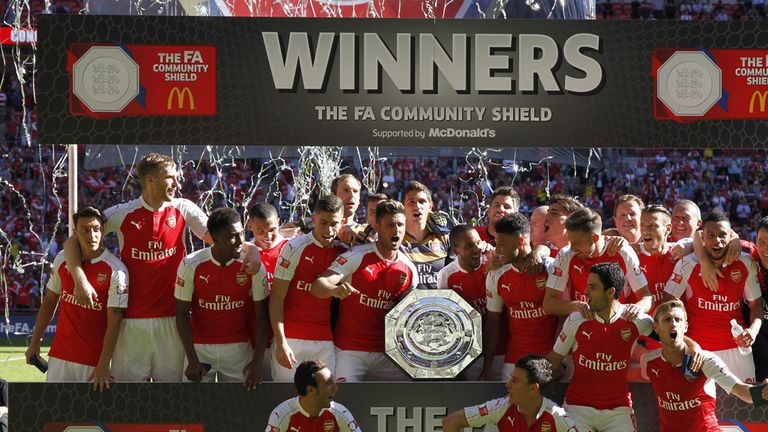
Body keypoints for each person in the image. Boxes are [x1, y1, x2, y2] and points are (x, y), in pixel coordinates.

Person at [64, 153, 210, 382]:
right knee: (129, 399)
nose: (177, 183)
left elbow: (220, 238)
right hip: (130, 324)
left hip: (172, 321)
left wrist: (252, 249)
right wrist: (80, 279)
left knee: (171, 398)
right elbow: (74, 240)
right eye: (170, 177)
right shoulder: (123, 213)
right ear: (150, 180)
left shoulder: (184, 208)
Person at [313, 200, 417, 381]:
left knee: (409, 390)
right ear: (377, 227)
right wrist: (334, 290)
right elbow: (318, 286)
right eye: (390, 225)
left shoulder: (409, 269)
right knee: (344, 404)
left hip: (387, 354)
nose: (397, 230)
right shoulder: (356, 256)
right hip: (350, 351)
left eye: (400, 225)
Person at [26, 206, 128, 390]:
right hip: (60, 355)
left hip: (93, 361)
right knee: (56, 415)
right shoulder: (62, 259)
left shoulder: (116, 270)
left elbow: (115, 322)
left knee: (89, 418)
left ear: (102, 230)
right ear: (75, 232)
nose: (92, 235)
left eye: (96, 229)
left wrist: (104, 363)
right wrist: (34, 343)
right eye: (85, 230)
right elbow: (49, 302)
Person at [548, 263, 654, 432]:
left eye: (593, 287)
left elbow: (671, 335)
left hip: (618, 410)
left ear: (610, 292)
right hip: (577, 408)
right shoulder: (576, 320)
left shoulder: (635, 320)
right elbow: (552, 361)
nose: (586, 292)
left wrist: (694, 348)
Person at [664, 210, 763, 382]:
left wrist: (753, 330)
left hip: (737, 350)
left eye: (722, 235)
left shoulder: (745, 263)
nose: (717, 241)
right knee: (702, 407)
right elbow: (667, 305)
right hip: (698, 350)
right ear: (703, 238)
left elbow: (757, 305)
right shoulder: (687, 264)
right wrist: (684, 341)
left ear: (730, 236)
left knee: (742, 405)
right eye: (711, 235)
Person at [640, 299, 768, 432]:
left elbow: (740, 390)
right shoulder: (648, 361)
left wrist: (762, 394)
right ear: (656, 328)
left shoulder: (705, 360)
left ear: (685, 326)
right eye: (667, 319)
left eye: (678, 320)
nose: (673, 324)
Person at [175, 208, 269, 386]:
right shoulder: (191, 264)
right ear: (214, 237)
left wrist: (257, 362)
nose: (241, 241)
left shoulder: (253, 266)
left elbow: (261, 316)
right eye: (233, 236)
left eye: (242, 233)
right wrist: (192, 359)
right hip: (200, 349)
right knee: (192, 410)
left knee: (240, 409)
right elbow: (181, 313)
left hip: (239, 349)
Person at [270, 195, 348, 381]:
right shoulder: (294, 247)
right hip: (291, 339)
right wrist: (281, 343)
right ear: (313, 219)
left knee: (323, 403)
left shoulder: (344, 251)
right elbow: (276, 298)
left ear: (343, 222)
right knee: (285, 400)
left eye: (334, 223)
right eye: (323, 222)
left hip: (324, 341)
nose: (329, 229)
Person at [484, 214, 558, 381]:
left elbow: (564, 317)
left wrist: (557, 359)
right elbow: (493, 321)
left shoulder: (550, 268)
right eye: (496, 244)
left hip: (549, 358)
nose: (497, 250)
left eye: (502, 245)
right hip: (514, 359)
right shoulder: (496, 275)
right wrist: (487, 368)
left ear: (520, 241)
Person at [544, 208, 652, 319]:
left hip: (616, 325)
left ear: (594, 238)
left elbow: (646, 296)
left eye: (577, 243)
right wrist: (576, 306)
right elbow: (548, 304)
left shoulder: (622, 252)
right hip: (583, 324)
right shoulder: (566, 255)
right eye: (570, 242)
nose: (572, 248)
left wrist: (639, 308)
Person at [442, 355, 578, 432]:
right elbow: (451, 421)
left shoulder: (557, 417)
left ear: (533, 388)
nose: (508, 385)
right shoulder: (501, 407)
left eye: (515, 381)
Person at [437, 224, 504, 379]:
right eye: (469, 246)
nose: (476, 249)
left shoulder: (493, 262)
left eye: (478, 242)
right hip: (472, 356)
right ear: (455, 250)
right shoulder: (446, 275)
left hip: (503, 350)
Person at [265, 360, 361, 432]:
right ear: (311, 390)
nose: (335, 388)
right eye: (328, 383)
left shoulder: (340, 413)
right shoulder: (282, 415)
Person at [400, 181, 450, 289]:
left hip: (437, 304)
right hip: (407, 305)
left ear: (431, 206)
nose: (417, 206)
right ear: (403, 207)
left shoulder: (444, 239)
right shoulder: (396, 241)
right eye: (411, 202)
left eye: (422, 202)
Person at [332, 174, 363, 245]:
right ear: (333, 196)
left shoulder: (366, 236)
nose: (351, 195)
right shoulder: (318, 231)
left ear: (359, 199)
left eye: (355, 191)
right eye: (346, 190)